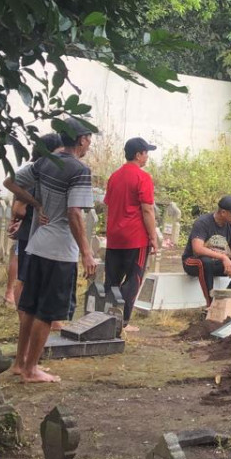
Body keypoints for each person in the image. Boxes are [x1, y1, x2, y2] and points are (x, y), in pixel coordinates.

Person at [4, 118, 97, 384]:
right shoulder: (79, 169)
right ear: (81, 139)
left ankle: (20, 364)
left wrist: (37, 203)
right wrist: (87, 252)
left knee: (29, 308)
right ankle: (32, 370)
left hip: (36, 245)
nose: (90, 143)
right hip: (59, 251)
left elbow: (10, 182)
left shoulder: (46, 161)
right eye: (89, 138)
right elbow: (74, 213)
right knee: (46, 313)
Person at [103, 137, 160, 332]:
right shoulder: (143, 177)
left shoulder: (114, 176)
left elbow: (108, 206)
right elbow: (147, 210)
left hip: (114, 236)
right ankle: (123, 321)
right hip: (135, 237)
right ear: (138, 154)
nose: (147, 158)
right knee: (133, 279)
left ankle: (105, 317)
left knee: (112, 279)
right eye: (146, 153)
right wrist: (153, 237)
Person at [4, 133, 62, 306]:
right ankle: (24, 322)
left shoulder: (43, 169)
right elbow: (18, 205)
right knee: (24, 279)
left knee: (31, 278)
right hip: (31, 230)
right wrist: (36, 205)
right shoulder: (36, 171)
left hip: (33, 230)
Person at [181, 195, 231, 292]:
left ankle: (226, 297)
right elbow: (198, 249)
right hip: (193, 262)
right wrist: (223, 257)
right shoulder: (203, 222)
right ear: (223, 212)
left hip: (217, 264)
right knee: (205, 262)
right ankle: (211, 304)